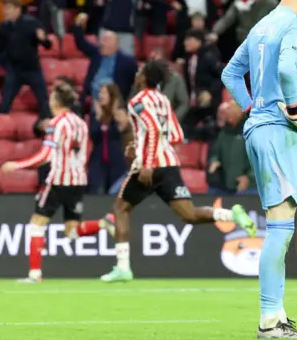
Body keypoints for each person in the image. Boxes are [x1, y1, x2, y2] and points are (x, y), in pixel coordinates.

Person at [221, 0, 297, 339]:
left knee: (278, 224)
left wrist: (251, 107)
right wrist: (294, 111)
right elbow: (285, 70)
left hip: (257, 128)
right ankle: (270, 320)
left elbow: (230, 74)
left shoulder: (260, 25)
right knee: (281, 227)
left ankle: (276, 314)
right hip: (279, 130)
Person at [100, 60, 256, 283]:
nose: (137, 74)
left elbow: (152, 129)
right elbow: (175, 134)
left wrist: (148, 161)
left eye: (140, 72)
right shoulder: (163, 100)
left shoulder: (138, 101)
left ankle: (123, 267)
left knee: (121, 208)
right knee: (189, 214)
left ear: (144, 78)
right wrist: (143, 144)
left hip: (150, 165)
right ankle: (232, 215)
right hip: (169, 163)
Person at [0, 83, 115, 283]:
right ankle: (104, 223)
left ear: (56, 101)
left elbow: (45, 156)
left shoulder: (56, 124)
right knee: (72, 232)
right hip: (78, 181)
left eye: (52, 97)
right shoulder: (81, 123)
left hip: (58, 180)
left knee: (36, 226)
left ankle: (34, 275)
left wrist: (17, 166)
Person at [0, 0, 52, 118]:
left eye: (8, 8)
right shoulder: (4, 26)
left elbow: (48, 45)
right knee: (5, 103)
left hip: (32, 68)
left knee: (44, 102)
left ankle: (49, 125)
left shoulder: (32, 23)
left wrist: (44, 39)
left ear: (17, 9)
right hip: (14, 69)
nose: (4, 11)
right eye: (4, 8)